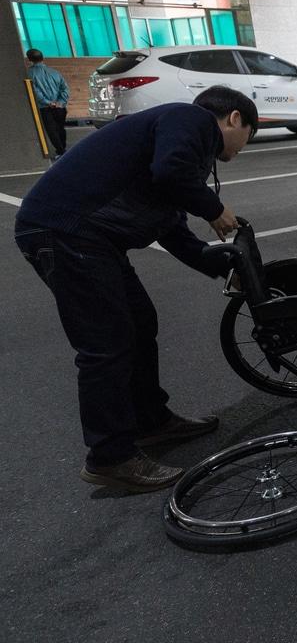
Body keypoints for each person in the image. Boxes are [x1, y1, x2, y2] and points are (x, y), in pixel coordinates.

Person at [14, 87, 257, 493]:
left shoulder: (177, 147)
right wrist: (214, 210)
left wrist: (221, 262)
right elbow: (171, 172)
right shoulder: (190, 119)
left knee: (140, 322)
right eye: (249, 134)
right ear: (234, 118)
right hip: (65, 232)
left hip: (90, 238)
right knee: (105, 344)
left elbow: (171, 228)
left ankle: (151, 421)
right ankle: (110, 458)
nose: (243, 147)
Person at [25, 49, 69, 158]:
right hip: (60, 107)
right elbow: (65, 89)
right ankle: (63, 149)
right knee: (60, 128)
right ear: (42, 58)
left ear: (29, 59)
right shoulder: (54, 72)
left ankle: (61, 151)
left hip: (45, 108)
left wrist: (48, 103)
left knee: (51, 131)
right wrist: (61, 102)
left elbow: (35, 92)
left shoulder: (30, 73)